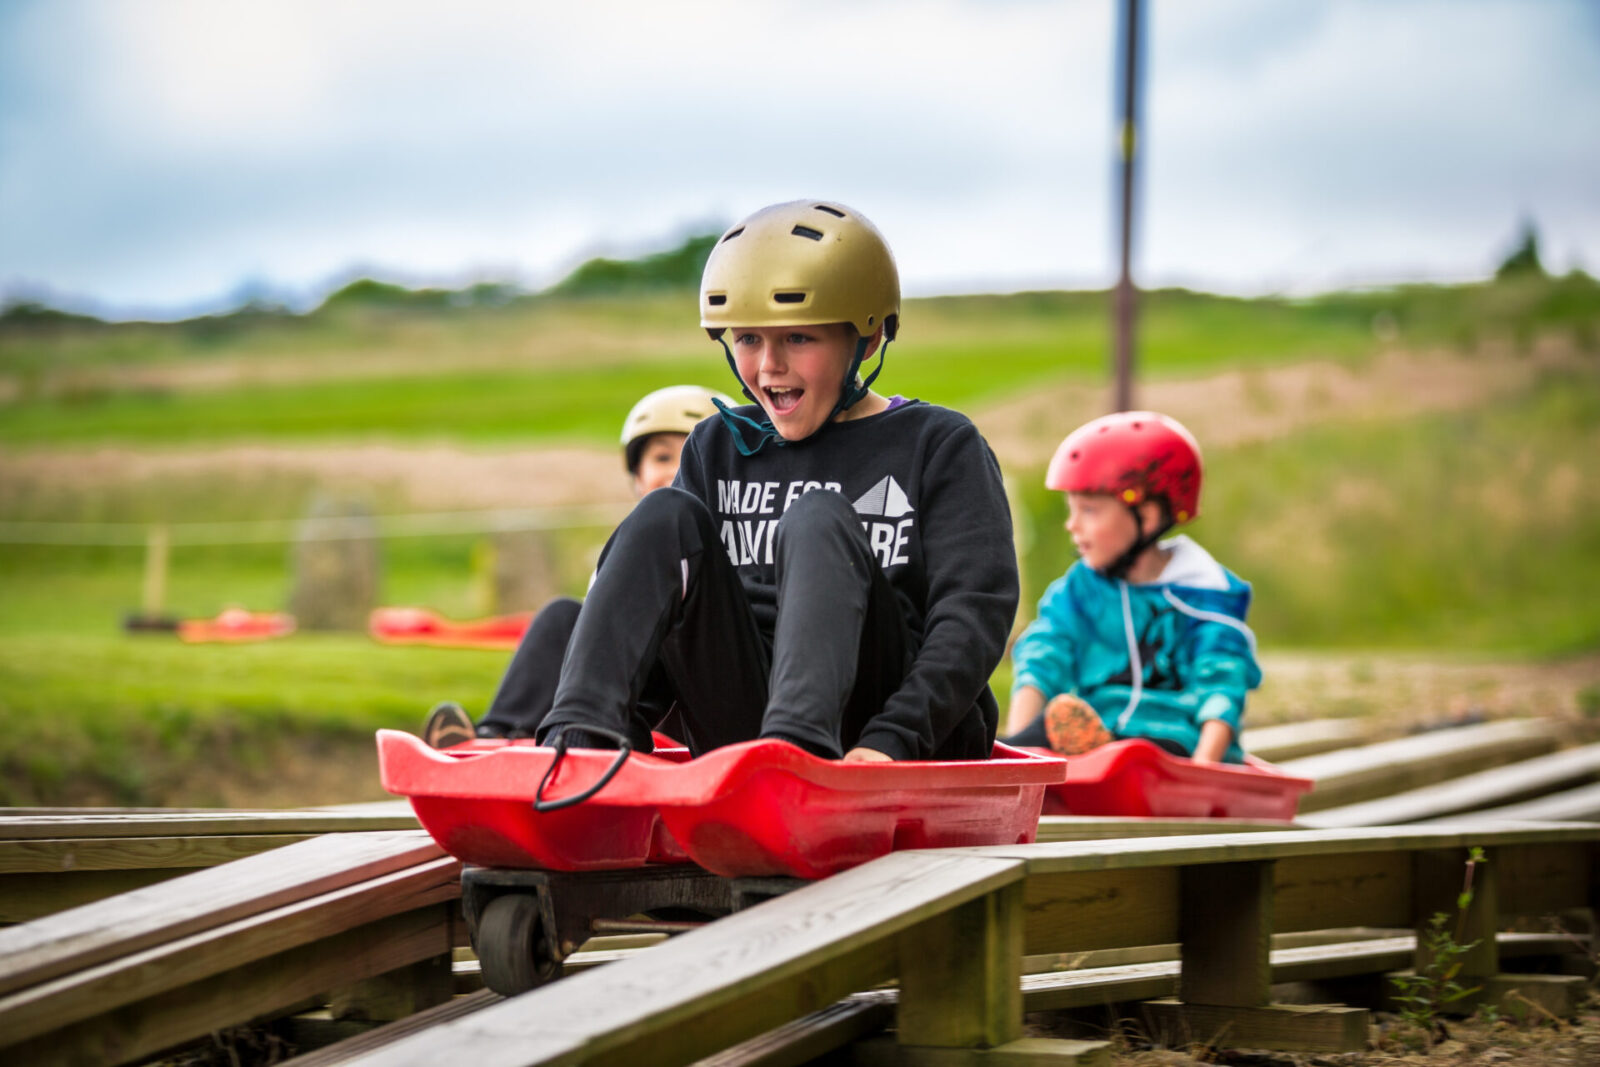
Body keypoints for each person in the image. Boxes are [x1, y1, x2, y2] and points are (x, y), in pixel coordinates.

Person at [524, 199, 1018, 762]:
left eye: (798, 339)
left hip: (885, 730)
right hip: (747, 729)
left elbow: (971, 619)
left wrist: (893, 740)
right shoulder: (716, 447)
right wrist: (628, 739)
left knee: (818, 515)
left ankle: (795, 752)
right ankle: (579, 746)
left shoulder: (939, 445)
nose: (768, 366)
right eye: (749, 340)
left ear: (869, 337)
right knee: (662, 515)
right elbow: (671, 619)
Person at [422, 384, 730, 746]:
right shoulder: (631, 552)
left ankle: (589, 737)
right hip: (628, 696)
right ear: (637, 478)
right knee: (562, 615)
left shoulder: (738, 550)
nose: (676, 471)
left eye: (690, 457)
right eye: (662, 458)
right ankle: (497, 737)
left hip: (698, 706)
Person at [1002, 411, 1260, 764]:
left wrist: (1203, 770)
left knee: (1140, 758)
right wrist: (1019, 750)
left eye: (1089, 510)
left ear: (1148, 516)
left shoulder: (1204, 595)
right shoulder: (1081, 590)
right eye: (1071, 510)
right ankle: (1062, 754)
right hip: (1100, 735)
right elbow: (1045, 654)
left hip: (1177, 745)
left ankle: (1104, 758)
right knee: (1029, 736)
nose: (1071, 525)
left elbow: (1221, 683)